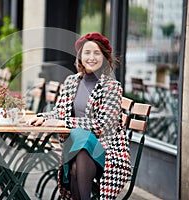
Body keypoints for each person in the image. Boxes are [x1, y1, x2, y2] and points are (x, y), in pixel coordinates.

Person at [26, 32, 131, 200]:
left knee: (81, 138)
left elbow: (101, 125)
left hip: (106, 151)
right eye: (87, 52)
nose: (91, 57)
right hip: (77, 149)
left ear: (104, 57)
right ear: (80, 57)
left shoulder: (112, 87)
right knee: (76, 162)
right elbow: (59, 112)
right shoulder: (71, 82)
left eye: (97, 53)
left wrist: (64, 122)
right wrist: (44, 117)